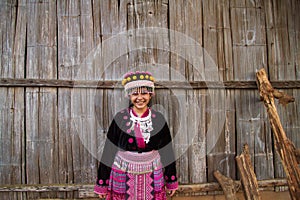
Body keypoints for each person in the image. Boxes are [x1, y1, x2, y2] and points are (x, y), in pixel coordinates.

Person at [94, 71, 178, 199]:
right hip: (122, 173)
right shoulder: (120, 118)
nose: (140, 98)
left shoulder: (158, 119)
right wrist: (102, 183)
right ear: (129, 95)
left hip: (152, 172)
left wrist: (171, 181)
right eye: (135, 93)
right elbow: (108, 151)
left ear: (150, 95)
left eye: (144, 93)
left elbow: (167, 151)